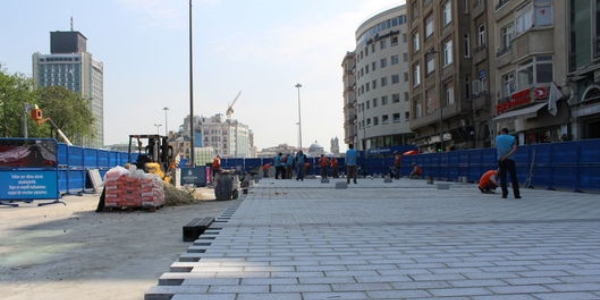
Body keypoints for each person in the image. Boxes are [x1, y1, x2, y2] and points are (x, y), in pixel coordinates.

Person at [496, 128, 521, 199]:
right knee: (513, 177)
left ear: (502, 132)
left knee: (503, 177)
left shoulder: (497, 138)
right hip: (510, 159)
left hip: (500, 159)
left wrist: (503, 156)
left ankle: (504, 194)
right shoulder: (512, 138)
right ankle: (516, 195)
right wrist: (506, 156)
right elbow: (514, 149)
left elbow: (497, 148)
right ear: (507, 132)